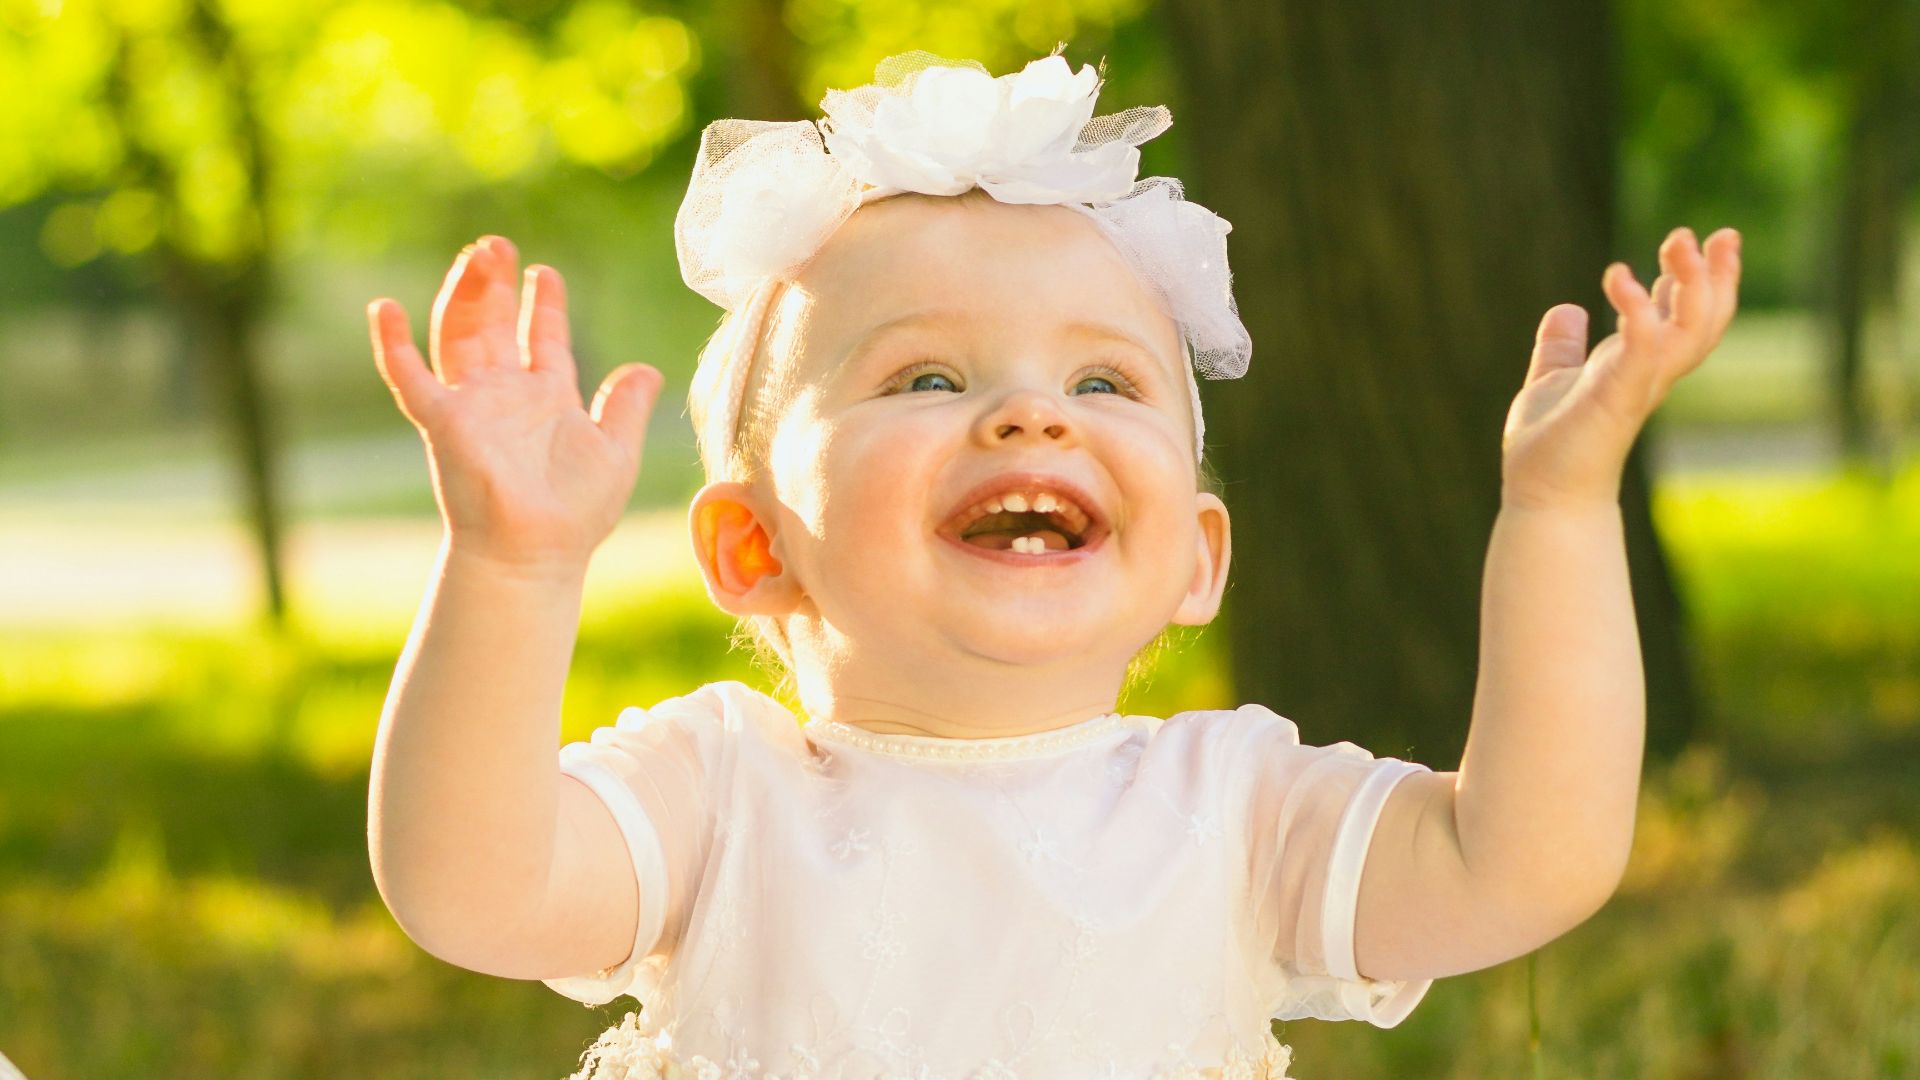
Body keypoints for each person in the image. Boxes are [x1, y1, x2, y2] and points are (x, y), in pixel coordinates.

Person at [363, 48, 1742, 1079]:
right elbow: (468, 888)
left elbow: (1524, 864)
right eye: (925, 375)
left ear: (1199, 558)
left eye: (1103, 378)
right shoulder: (718, 796)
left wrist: (1559, 511)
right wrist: (513, 569)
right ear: (752, 544)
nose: (1033, 414)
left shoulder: (1236, 810)